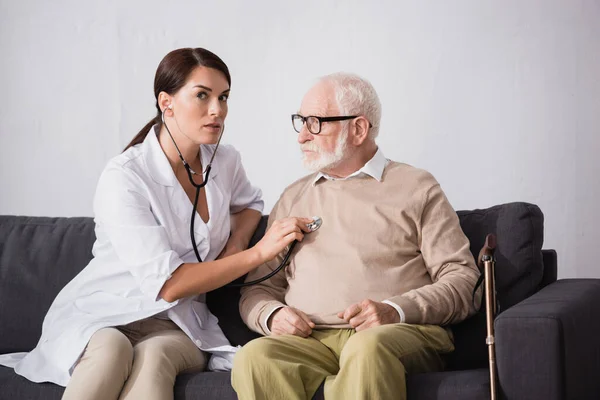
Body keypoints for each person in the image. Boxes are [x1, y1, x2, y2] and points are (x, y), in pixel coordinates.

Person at [0, 47, 312, 400]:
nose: (218, 110)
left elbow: (250, 204)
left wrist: (236, 245)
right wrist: (255, 254)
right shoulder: (125, 177)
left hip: (178, 322)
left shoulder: (224, 161)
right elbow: (168, 284)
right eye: (202, 96)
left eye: (223, 97)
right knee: (110, 352)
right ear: (167, 103)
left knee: (155, 357)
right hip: (107, 312)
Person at [232, 72, 482, 400]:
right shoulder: (293, 198)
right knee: (254, 358)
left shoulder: (417, 187)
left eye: (315, 123)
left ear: (358, 129)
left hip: (396, 334)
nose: (302, 136)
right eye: (300, 122)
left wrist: (396, 310)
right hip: (312, 342)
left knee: (367, 349)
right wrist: (273, 314)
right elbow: (257, 291)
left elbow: (465, 282)